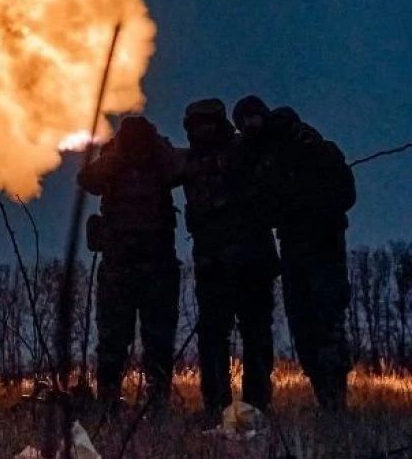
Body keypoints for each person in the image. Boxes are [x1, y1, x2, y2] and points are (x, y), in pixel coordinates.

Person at [233, 96, 355, 411]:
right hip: (293, 248)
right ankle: (326, 399)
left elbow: (343, 193)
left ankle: (334, 403)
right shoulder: (259, 155)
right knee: (303, 327)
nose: (249, 126)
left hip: (323, 246)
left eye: (252, 118)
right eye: (243, 122)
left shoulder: (305, 143)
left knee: (326, 324)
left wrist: (305, 204)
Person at [178, 99, 278, 424]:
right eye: (198, 124)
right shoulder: (189, 161)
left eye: (209, 122)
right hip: (213, 267)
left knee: (256, 335)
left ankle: (256, 407)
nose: (204, 129)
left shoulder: (244, 150)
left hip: (251, 263)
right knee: (213, 338)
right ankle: (216, 408)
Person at [78, 116, 183, 416]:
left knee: (156, 341)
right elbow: (88, 179)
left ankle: (155, 404)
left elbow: (180, 169)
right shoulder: (115, 161)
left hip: (153, 267)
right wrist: (118, 153)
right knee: (114, 341)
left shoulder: (159, 160)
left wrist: (152, 148)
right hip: (123, 267)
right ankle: (110, 403)